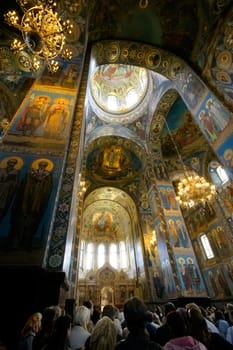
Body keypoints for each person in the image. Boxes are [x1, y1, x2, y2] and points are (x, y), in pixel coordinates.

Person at [8, 158, 53, 250]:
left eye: (44, 166)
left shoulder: (48, 175)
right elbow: (24, 184)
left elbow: (48, 187)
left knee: (31, 223)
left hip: (38, 200)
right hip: (27, 198)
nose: (42, 167)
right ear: (38, 165)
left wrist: (41, 185)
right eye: (41, 165)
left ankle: (26, 244)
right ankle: (15, 243)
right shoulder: (31, 172)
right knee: (19, 223)